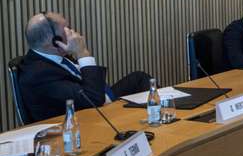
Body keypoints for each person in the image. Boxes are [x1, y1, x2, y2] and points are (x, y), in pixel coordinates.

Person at [17, 12, 152, 123]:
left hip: (99, 98)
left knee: (139, 78)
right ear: (54, 42)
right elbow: (93, 99)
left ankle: (163, 115)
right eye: (67, 29)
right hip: (86, 120)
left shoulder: (51, 54)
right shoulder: (38, 75)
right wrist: (82, 53)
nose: (73, 33)